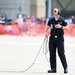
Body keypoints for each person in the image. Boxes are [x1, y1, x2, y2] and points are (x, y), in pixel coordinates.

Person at [45, 8, 69, 73]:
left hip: (59, 39)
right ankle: (53, 68)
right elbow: (47, 26)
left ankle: (65, 67)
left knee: (61, 53)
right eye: (53, 11)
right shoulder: (51, 20)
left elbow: (67, 28)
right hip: (52, 38)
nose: (53, 12)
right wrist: (46, 33)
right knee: (52, 54)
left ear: (58, 12)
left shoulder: (62, 20)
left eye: (55, 11)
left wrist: (61, 27)